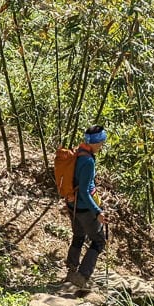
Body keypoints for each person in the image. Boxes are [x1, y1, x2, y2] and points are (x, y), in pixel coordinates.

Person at [65, 125, 108, 291]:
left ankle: (71, 268)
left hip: (72, 204)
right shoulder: (88, 161)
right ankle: (82, 277)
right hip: (84, 207)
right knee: (98, 241)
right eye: (101, 142)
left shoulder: (78, 152)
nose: (102, 146)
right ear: (95, 143)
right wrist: (97, 212)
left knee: (79, 235)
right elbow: (83, 191)